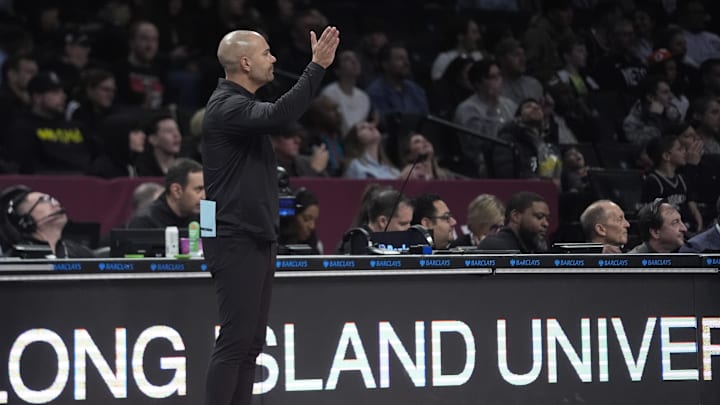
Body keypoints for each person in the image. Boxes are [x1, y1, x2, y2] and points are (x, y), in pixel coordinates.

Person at [201, 26, 338, 405]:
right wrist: (317, 68)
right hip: (235, 236)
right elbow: (280, 115)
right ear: (245, 62)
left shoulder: (240, 106)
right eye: (266, 53)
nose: (273, 58)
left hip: (255, 234)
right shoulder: (226, 106)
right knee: (235, 341)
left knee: (250, 345)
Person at [0, 184, 94, 258]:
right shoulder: (16, 259)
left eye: (53, 199)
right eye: (44, 200)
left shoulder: (82, 253)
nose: (56, 203)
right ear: (25, 221)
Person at [127, 158, 204, 228]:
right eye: (199, 189)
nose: (204, 196)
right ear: (176, 191)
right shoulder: (145, 223)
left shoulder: (202, 219)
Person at [477, 191, 550, 253]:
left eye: (547, 219)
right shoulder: (493, 248)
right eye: (539, 217)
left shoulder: (537, 250)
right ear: (516, 216)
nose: (546, 224)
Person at [278, 187, 322, 254]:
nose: (312, 226)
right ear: (293, 217)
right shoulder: (275, 246)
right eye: (306, 219)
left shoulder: (316, 245)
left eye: (314, 220)